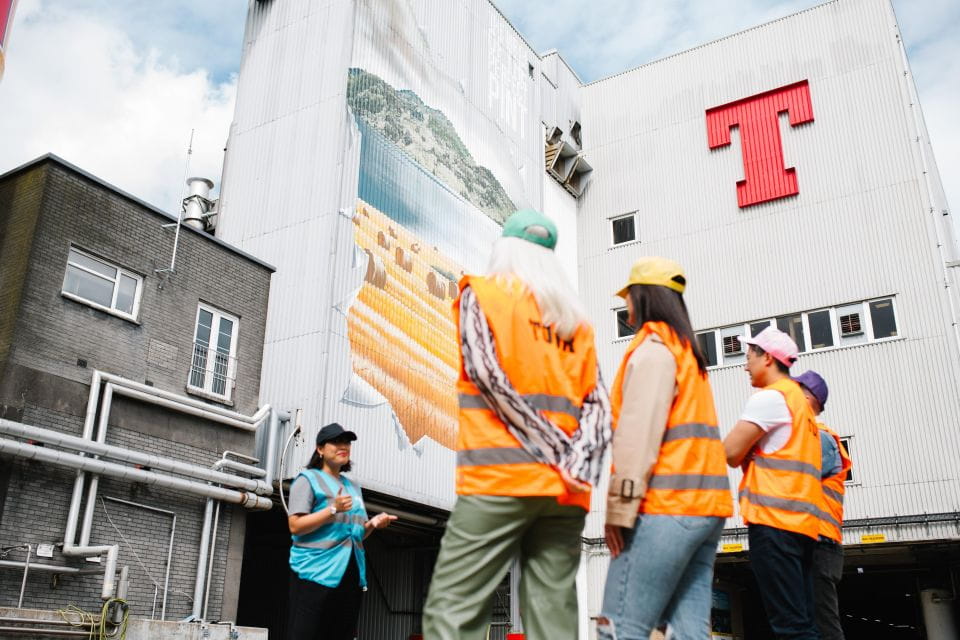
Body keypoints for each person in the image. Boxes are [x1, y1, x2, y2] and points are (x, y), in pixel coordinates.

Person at [422, 209, 611, 640]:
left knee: (454, 610)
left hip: (500, 479)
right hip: (566, 492)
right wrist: (575, 464)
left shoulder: (483, 294)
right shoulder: (576, 322)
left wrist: (552, 452)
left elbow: (486, 375)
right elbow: (599, 405)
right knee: (553, 614)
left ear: (504, 248)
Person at [597, 257, 733, 640]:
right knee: (689, 633)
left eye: (627, 296)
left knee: (618, 627)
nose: (625, 306)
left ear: (642, 296)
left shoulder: (654, 351)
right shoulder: (687, 353)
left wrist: (620, 510)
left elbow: (638, 438)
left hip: (667, 508)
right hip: (706, 511)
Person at [722, 327, 823, 640]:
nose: (745, 366)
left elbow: (730, 452)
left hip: (774, 524)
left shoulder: (770, 398)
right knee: (803, 624)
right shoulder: (800, 405)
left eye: (748, 357)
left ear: (767, 358)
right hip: (802, 526)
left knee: (790, 628)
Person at [285, 422, 397, 640]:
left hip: (350, 572)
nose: (343, 446)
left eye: (346, 442)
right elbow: (295, 525)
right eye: (336, 442)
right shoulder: (307, 480)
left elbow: (356, 535)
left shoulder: (353, 487)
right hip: (314, 571)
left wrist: (372, 524)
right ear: (320, 449)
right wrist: (332, 509)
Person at [794, 370, 852, 640]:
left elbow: (797, 478)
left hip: (820, 543)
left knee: (823, 623)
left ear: (807, 399)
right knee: (808, 623)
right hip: (811, 542)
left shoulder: (820, 438)